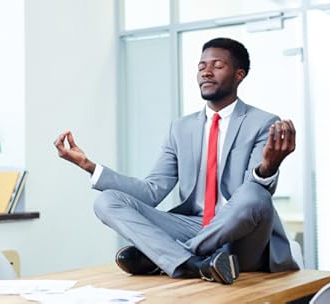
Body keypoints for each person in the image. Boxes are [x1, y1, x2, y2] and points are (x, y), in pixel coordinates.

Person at [54, 37, 299, 285]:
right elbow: (151, 192)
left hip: (241, 237)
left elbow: (251, 202)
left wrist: (268, 168)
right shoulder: (180, 129)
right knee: (106, 201)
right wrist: (88, 165)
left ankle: (169, 257)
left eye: (217, 65)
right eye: (201, 66)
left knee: (255, 194)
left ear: (239, 74)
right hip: (193, 224)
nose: (206, 72)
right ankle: (191, 264)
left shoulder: (262, 122)